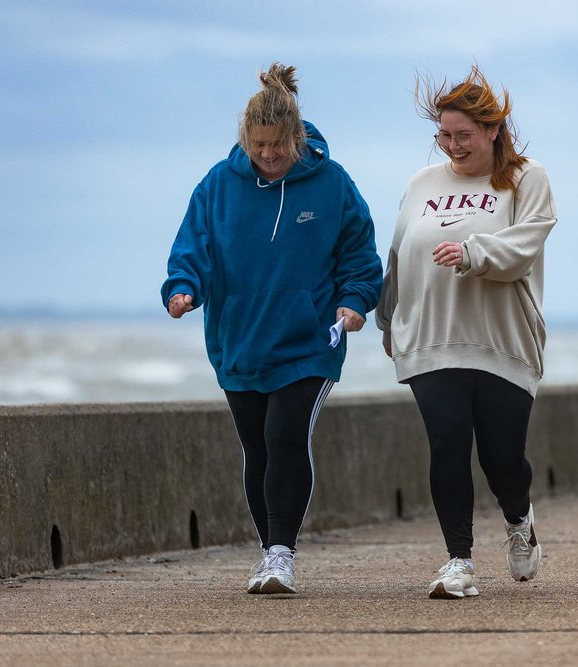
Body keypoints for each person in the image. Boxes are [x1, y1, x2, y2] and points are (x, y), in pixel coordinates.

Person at [162, 63, 382, 595]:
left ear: (296, 136)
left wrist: (354, 303)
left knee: (286, 436)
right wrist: (182, 288)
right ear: (245, 139)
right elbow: (195, 246)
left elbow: (359, 256)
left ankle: (282, 553)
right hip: (239, 341)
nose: (268, 154)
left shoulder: (331, 183)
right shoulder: (218, 184)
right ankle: (268, 553)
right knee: (257, 449)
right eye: (258, 145)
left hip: (310, 342)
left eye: (277, 145)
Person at [376, 66, 557, 599]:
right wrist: (389, 317)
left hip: (502, 340)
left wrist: (473, 252)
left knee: (501, 457)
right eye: (444, 136)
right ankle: (459, 562)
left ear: (493, 130)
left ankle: (519, 521)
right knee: (447, 443)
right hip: (430, 337)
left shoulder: (526, 177)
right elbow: (400, 254)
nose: (452, 146)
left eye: (463, 136)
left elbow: (525, 247)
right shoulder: (422, 184)